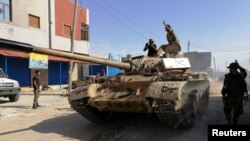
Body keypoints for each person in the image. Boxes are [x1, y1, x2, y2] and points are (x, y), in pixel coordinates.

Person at [221, 61, 248, 125]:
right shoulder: (241, 75)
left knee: (227, 110)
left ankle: (229, 121)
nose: (229, 69)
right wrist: (239, 66)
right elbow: (244, 71)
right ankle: (234, 122)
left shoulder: (228, 76)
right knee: (237, 111)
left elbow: (225, 87)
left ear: (233, 68)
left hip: (230, 97)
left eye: (230, 68)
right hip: (239, 97)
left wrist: (223, 94)